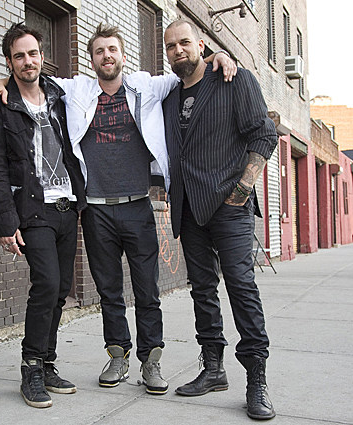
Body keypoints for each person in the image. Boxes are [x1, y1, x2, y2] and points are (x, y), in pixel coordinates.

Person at [0, 23, 236, 395]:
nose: (107, 56)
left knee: (147, 292)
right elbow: (30, 80)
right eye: (99, 51)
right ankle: (118, 356)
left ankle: (150, 362)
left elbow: (189, 68)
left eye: (112, 49)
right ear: (92, 59)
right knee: (109, 292)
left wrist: (219, 56)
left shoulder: (146, 86)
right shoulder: (76, 89)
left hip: (138, 206)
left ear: (123, 55)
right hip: (96, 212)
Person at [162, 20, 277, 420]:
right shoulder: (169, 95)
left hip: (230, 206)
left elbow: (264, 135)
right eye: (171, 45)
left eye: (185, 43)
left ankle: (256, 380)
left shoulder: (234, 79)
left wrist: (241, 191)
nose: (178, 50)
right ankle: (213, 368)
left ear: (201, 45)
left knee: (242, 287)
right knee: (202, 291)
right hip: (189, 209)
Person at [0, 23, 87, 409]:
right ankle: (30, 368)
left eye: (33, 54)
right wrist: (6, 221)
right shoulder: (0, 105)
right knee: (47, 284)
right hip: (33, 208)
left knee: (60, 289)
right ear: (9, 62)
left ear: (42, 56)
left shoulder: (60, 96)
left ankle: (47, 362)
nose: (28, 61)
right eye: (19, 56)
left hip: (67, 206)